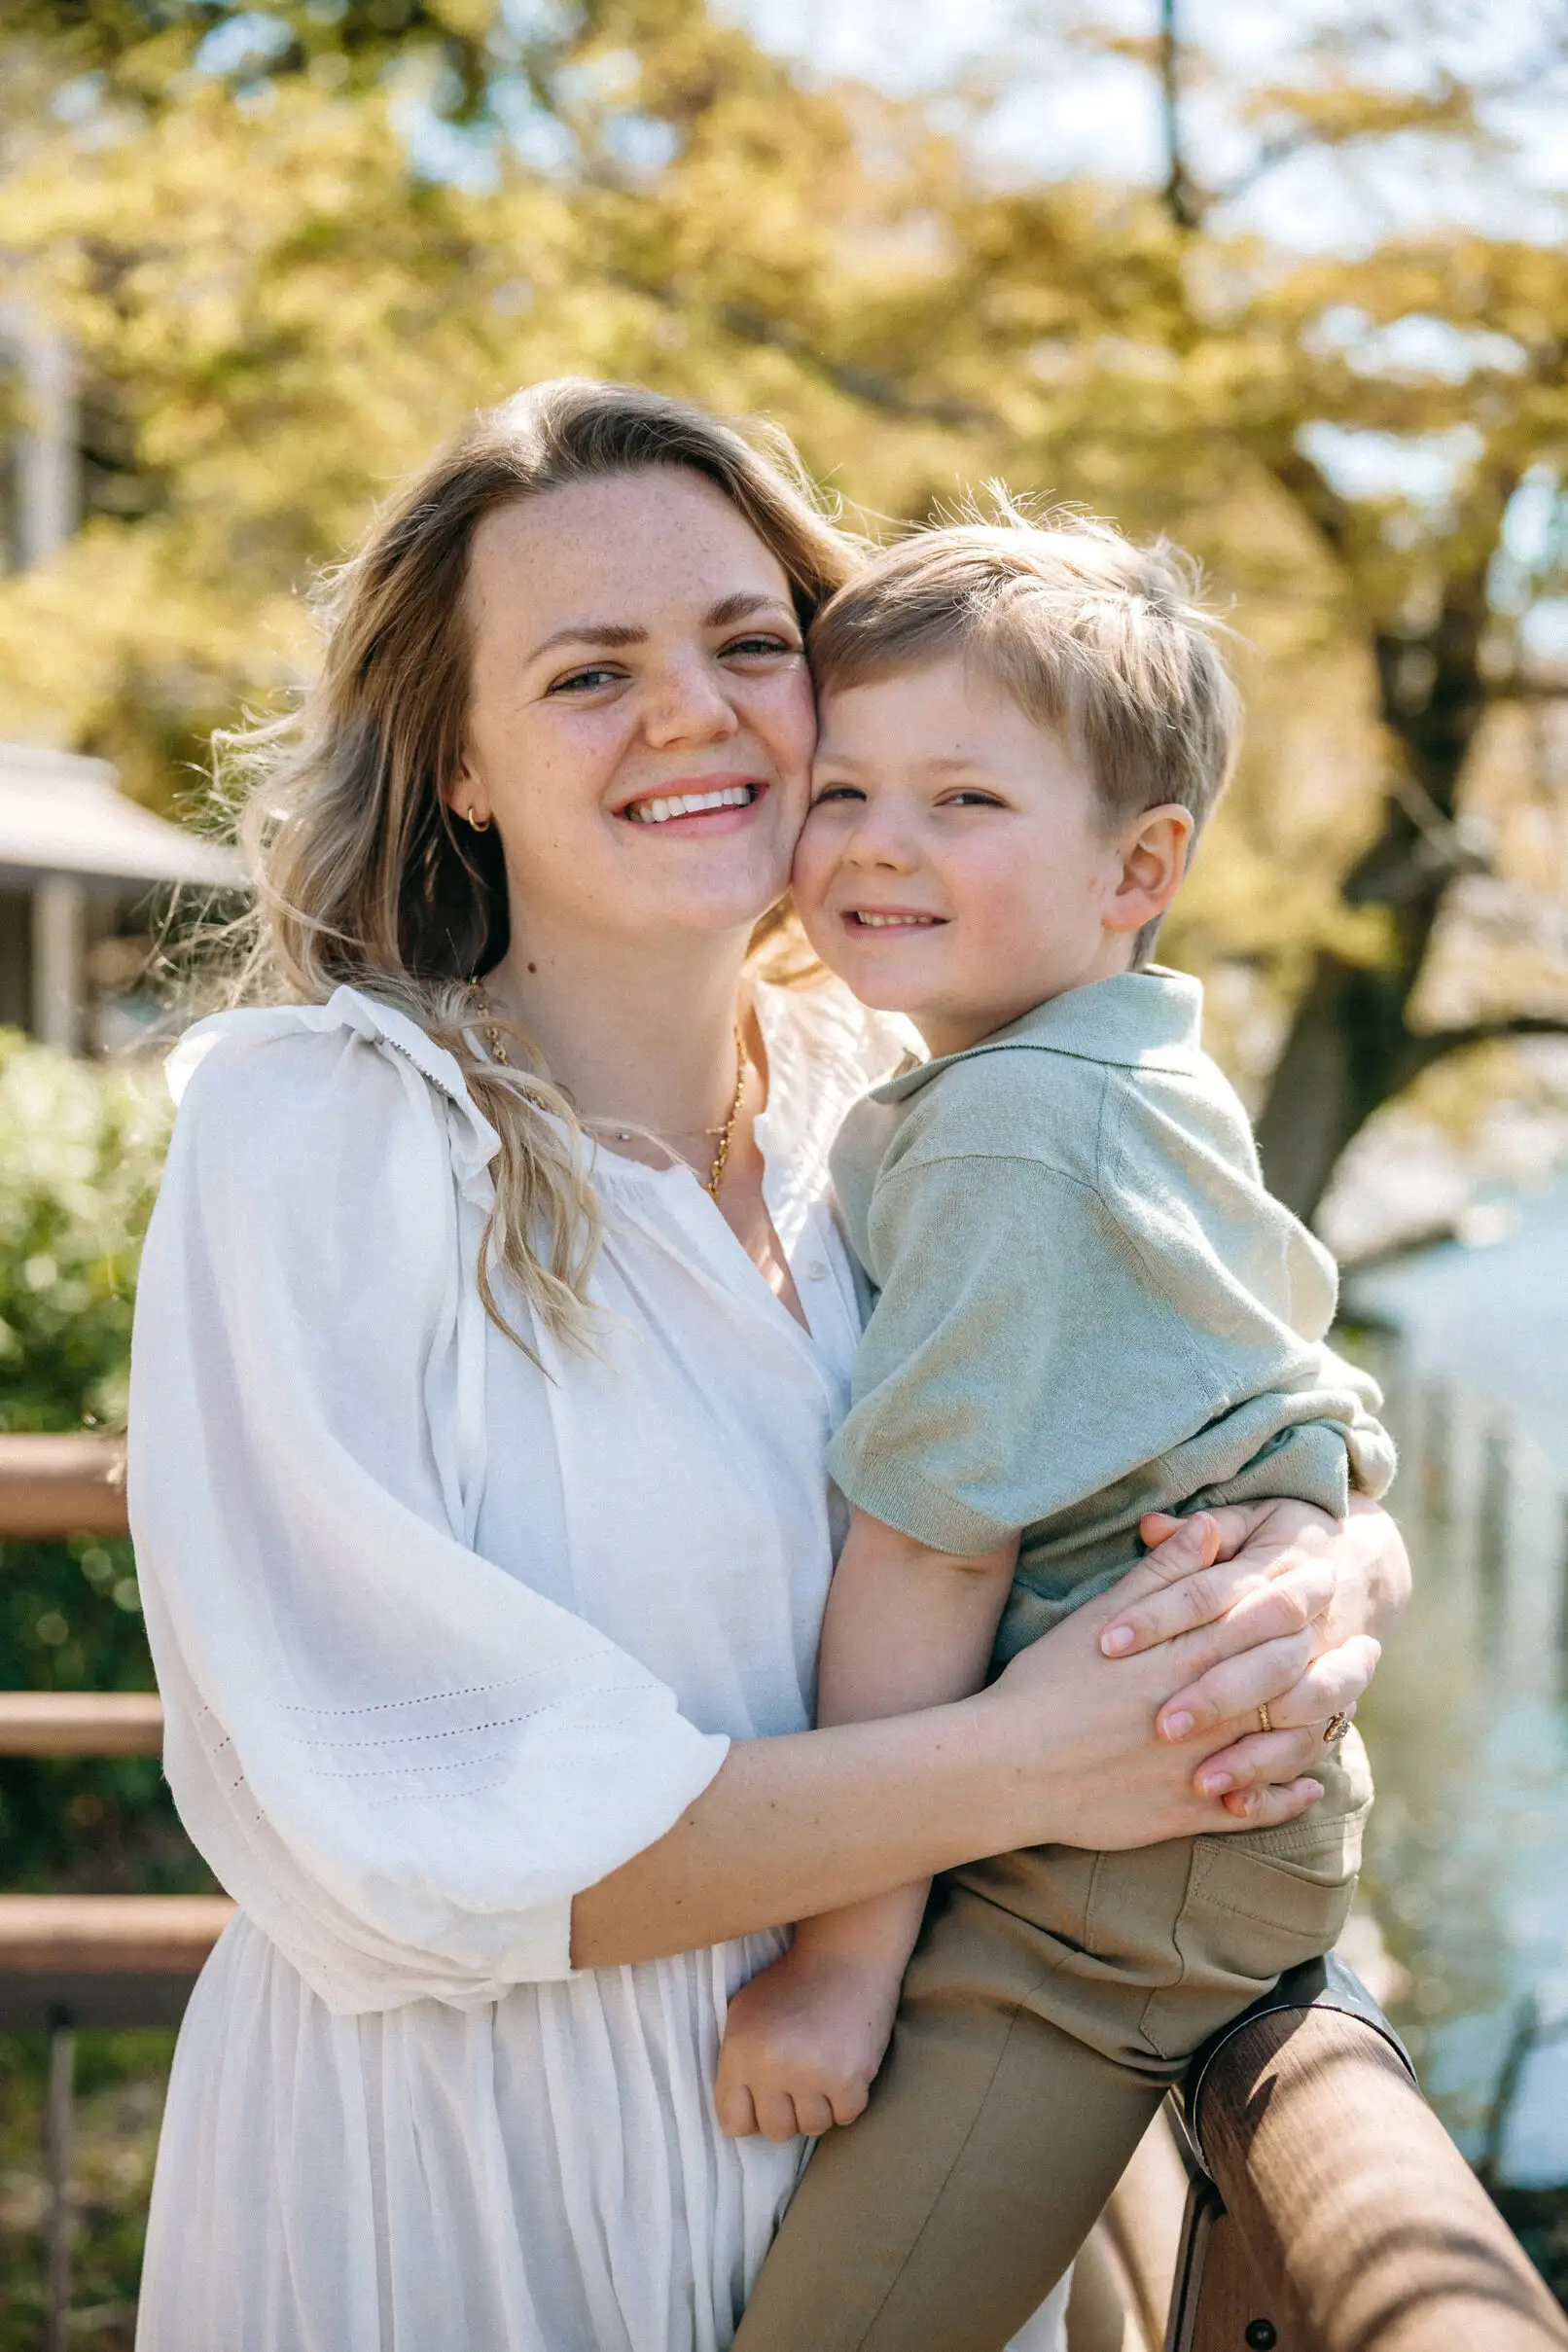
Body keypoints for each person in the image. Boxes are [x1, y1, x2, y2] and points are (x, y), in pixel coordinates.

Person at [127, 379, 1408, 2352]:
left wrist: (1324, 1570)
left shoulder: (908, 1100)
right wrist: (1032, 1761)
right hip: (472, 2168)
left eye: (748, 644)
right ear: (459, 761)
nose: (692, 714)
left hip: (882, 2132)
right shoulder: (320, 1134)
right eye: (588, 673)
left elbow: (1209, 1378)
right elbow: (391, 1826)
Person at [716, 514, 1395, 2352]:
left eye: (964, 799)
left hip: (1106, 1888)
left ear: (1139, 865)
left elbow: (936, 1543)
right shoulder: (1112, 1064)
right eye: (844, 787)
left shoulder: (1016, 1128)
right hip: (1149, 1815)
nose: (879, 840)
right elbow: (1293, 1359)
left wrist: (844, 1958)